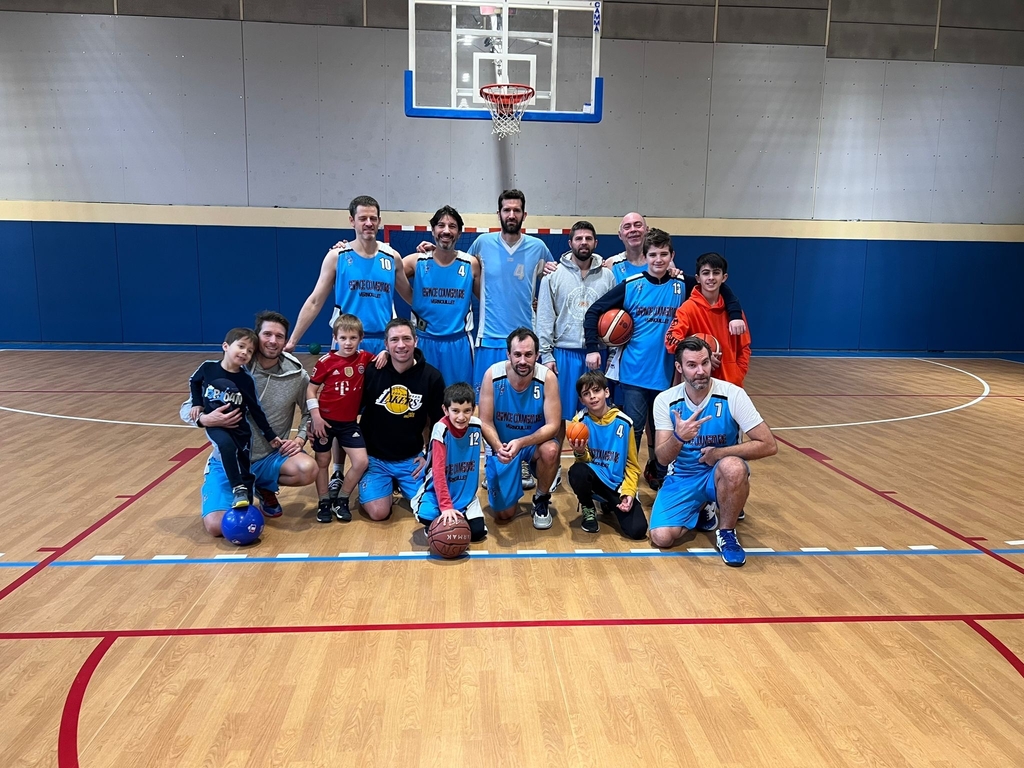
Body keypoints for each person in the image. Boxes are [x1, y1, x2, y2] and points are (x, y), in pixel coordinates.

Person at [602, 215, 748, 489]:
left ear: (672, 257)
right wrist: (595, 342)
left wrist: (735, 312)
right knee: (634, 425)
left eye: (664, 254)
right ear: (646, 255)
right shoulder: (624, 276)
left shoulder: (681, 284)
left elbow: (718, 285)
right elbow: (597, 310)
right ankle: (625, 478)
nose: (659, 259)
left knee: (662, 428)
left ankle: (660, 472)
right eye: (653, 254)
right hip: (634, 369)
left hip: (667, 373)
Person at [181, 311, 317, 537]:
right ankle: (238, 485)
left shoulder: (296, 375)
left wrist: (300, 438)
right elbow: (187, 407)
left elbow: (310, 410)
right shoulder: (232, 367)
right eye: (267, 334)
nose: (273, 341)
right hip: (230, 460)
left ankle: (262, 487)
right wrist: (204, 419)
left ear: (286, 341)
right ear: (257, 336)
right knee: (216, 527)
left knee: (307, 469)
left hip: (269, 457)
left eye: (279, 336)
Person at [650, 337, 777, 566]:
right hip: (683, 476)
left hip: (718, 472)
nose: (700, 371)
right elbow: (662, 458)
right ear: (679, 367)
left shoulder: (733, 394)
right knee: (662, 537)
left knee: (733, 466)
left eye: (705, 363)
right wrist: (679, 437)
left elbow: (768, 444)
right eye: (692, 365)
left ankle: (727, 533)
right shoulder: (665, 400)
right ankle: (702, 506)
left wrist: (719, 454)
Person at [285, 195, 412, 355]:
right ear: (352, 220)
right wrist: (293, 341)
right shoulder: (337, 256)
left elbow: (411, 297)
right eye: (363, 218)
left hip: (383, 343)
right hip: (347, 342)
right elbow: (315, 301)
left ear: (379, 221)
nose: (368, 223)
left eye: (373, 218)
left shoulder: (392, 257)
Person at [358, 318, 446, 521]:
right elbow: (350, 412)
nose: (401, 345)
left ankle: (398, 482)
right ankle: (383, 484)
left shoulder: (431, 377)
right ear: (386, 344)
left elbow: (440, 424)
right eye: (394, 340)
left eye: (406, 338)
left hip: (411, 460)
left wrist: (429, 457)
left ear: (416, 341)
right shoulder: (373, 371)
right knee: (379, 513)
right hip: (375, 459)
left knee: (430, 511)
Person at [466, 189, 555, 388]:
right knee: (484, 400)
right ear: (499, 214)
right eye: (507, 210)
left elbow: (554, 282)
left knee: (521, 400)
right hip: (489, 339)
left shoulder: (538, 247)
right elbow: (460, 268)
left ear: (524, 214)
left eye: (517, 210)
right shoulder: (482, 243)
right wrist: (435, 251)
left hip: (525, 343)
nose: (512, 215)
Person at [478, 328, 562, 529]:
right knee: (503, 515)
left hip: (532, 445)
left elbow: (553, 425)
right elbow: (485, 422)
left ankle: (541, 498)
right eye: (517, 354)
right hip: (504, 447)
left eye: (528, 354)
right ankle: (505, 470)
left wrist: (522, 442)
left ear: (537, 355)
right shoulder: (492, 375)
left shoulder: (548, 378)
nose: (523, 361)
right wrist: (498, 447)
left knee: (551, 450)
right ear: (508, 354)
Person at [189, 328, 282, 509]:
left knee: (244, 466)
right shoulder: (208, 368)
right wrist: (197, 404)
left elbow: (255, 410)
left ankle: (246, 500)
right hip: (217, 426)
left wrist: (270, 435)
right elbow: (195, 382)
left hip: (240, 429)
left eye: (250, 351)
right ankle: (237, 488)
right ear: (225, 346)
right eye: (241, 346)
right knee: (226, 445)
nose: (245, 352)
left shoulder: (245, 380)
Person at [535, 220, 617, 421]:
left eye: (588, 238)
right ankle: (557, 445)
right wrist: (546, 355)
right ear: (570, 243)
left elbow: (614, 315)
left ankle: (594, 445)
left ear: (595, 243)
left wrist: (612, 356)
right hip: (564, 354)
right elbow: (544, 317)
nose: (583, 242)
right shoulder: (552, 275)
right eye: (579, 238)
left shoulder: (607, 276)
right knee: (559, 415)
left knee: (597, 414)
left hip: (597, 353)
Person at [307, 314, 375, 524]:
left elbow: (381, 359)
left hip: (349, 423)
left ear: (361, 338)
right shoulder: (325, 362)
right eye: (343, 338)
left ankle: (342, 499)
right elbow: (311, 390)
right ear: (335, 338)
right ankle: (324, 501)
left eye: (353, 338)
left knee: (361, 462)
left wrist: (383, 353)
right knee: (322, 462)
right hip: (324, 422)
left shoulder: (365, 358)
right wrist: (316, 417)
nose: (348, 343)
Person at [565, 371, 647, 539]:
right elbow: (583, 462)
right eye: (586, 394)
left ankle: (609, 502)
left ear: (607, 392)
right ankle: (588, 505)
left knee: (638, 530)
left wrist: (629, 492)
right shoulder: (578, 423)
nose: (592, 396)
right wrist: (580, 452)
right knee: (577, 471)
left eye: (596, 390)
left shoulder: (625, 423)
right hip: (594, 477)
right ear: (581, 400)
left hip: (616, 484)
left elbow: (632, 465)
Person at [404, 205, 479, 388]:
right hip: (423, 342)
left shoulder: (470, 264)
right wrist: (345, 249)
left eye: (452, 226)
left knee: (459, 400)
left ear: (459, 233)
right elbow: (382, 276)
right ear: (433, 231)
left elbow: (490, 299)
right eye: (441, 225)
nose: (446, 230)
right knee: (421, 398)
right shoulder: (416, 261)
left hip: (458, 345)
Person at [411, 382, 488, 542]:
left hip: (465, 496)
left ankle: (454, 516)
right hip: (435, 492)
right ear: (445, 410)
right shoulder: (441, 429)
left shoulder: (476, 425)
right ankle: (438, 518)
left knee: (477, 533)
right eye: (455, 411)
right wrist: (446, 507)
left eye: (467, 410)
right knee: (426, 516)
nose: (461, 417)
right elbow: (438, 472)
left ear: (474, 409)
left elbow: (493, 449)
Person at [664, 252, 752, 388]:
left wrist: (738, 374)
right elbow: (671, 339)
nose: (711, 277)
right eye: (706, 273)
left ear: (724, 277)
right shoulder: (688, 309)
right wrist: (700, 355)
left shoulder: (735, 313)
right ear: (698, 278)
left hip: (731, 384)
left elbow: (744, 348)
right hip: (698, 385)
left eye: (716, 273)